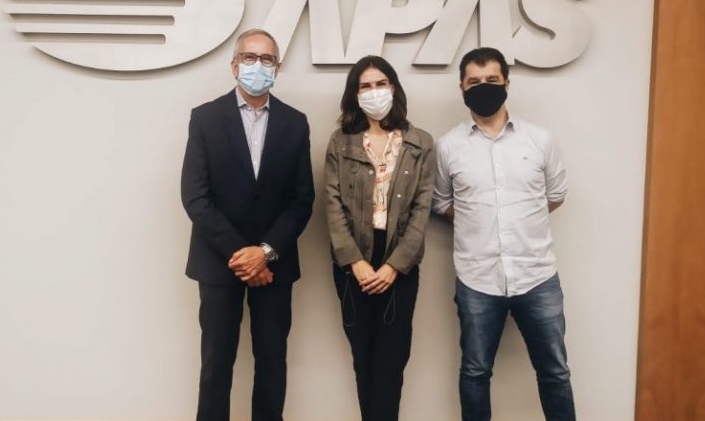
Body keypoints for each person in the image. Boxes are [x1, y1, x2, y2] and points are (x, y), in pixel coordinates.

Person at [433, 47, 576, 421]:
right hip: (477, 279)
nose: (483, 87)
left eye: (492, 80)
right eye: (474, 82)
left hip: (537, 275)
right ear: (462, 88)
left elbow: (556, 195)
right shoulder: (447, 147)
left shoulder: (540, 140)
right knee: (475, 372)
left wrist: (517, 218)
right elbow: (440, 202)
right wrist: (479, 218)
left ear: (507, 84)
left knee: (555, 372)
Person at [180, 29, 315, 421]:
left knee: (272, 365)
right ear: (234, 65)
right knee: (215, 366)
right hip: (219, 263)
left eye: (267, 59)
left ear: (278, 67)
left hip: (275, 266)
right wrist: (244, 256)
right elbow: (195, 196)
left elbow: (301, 199)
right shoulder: (205, 118)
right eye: (250, 57)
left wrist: (265, 253)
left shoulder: (295, 123)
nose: (259, 65)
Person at [324, 55, 435, 421]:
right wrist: (354, 262)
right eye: (365, 86)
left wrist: (394, 267)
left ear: (394, 88)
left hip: (398, 264)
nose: (374, 92)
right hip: (352, 264)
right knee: (363, 357)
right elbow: (332, 204)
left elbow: (421, 210)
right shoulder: (341, 142)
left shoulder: (420, 142)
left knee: (392, 359)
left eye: (380, 84)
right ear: (355, 95)